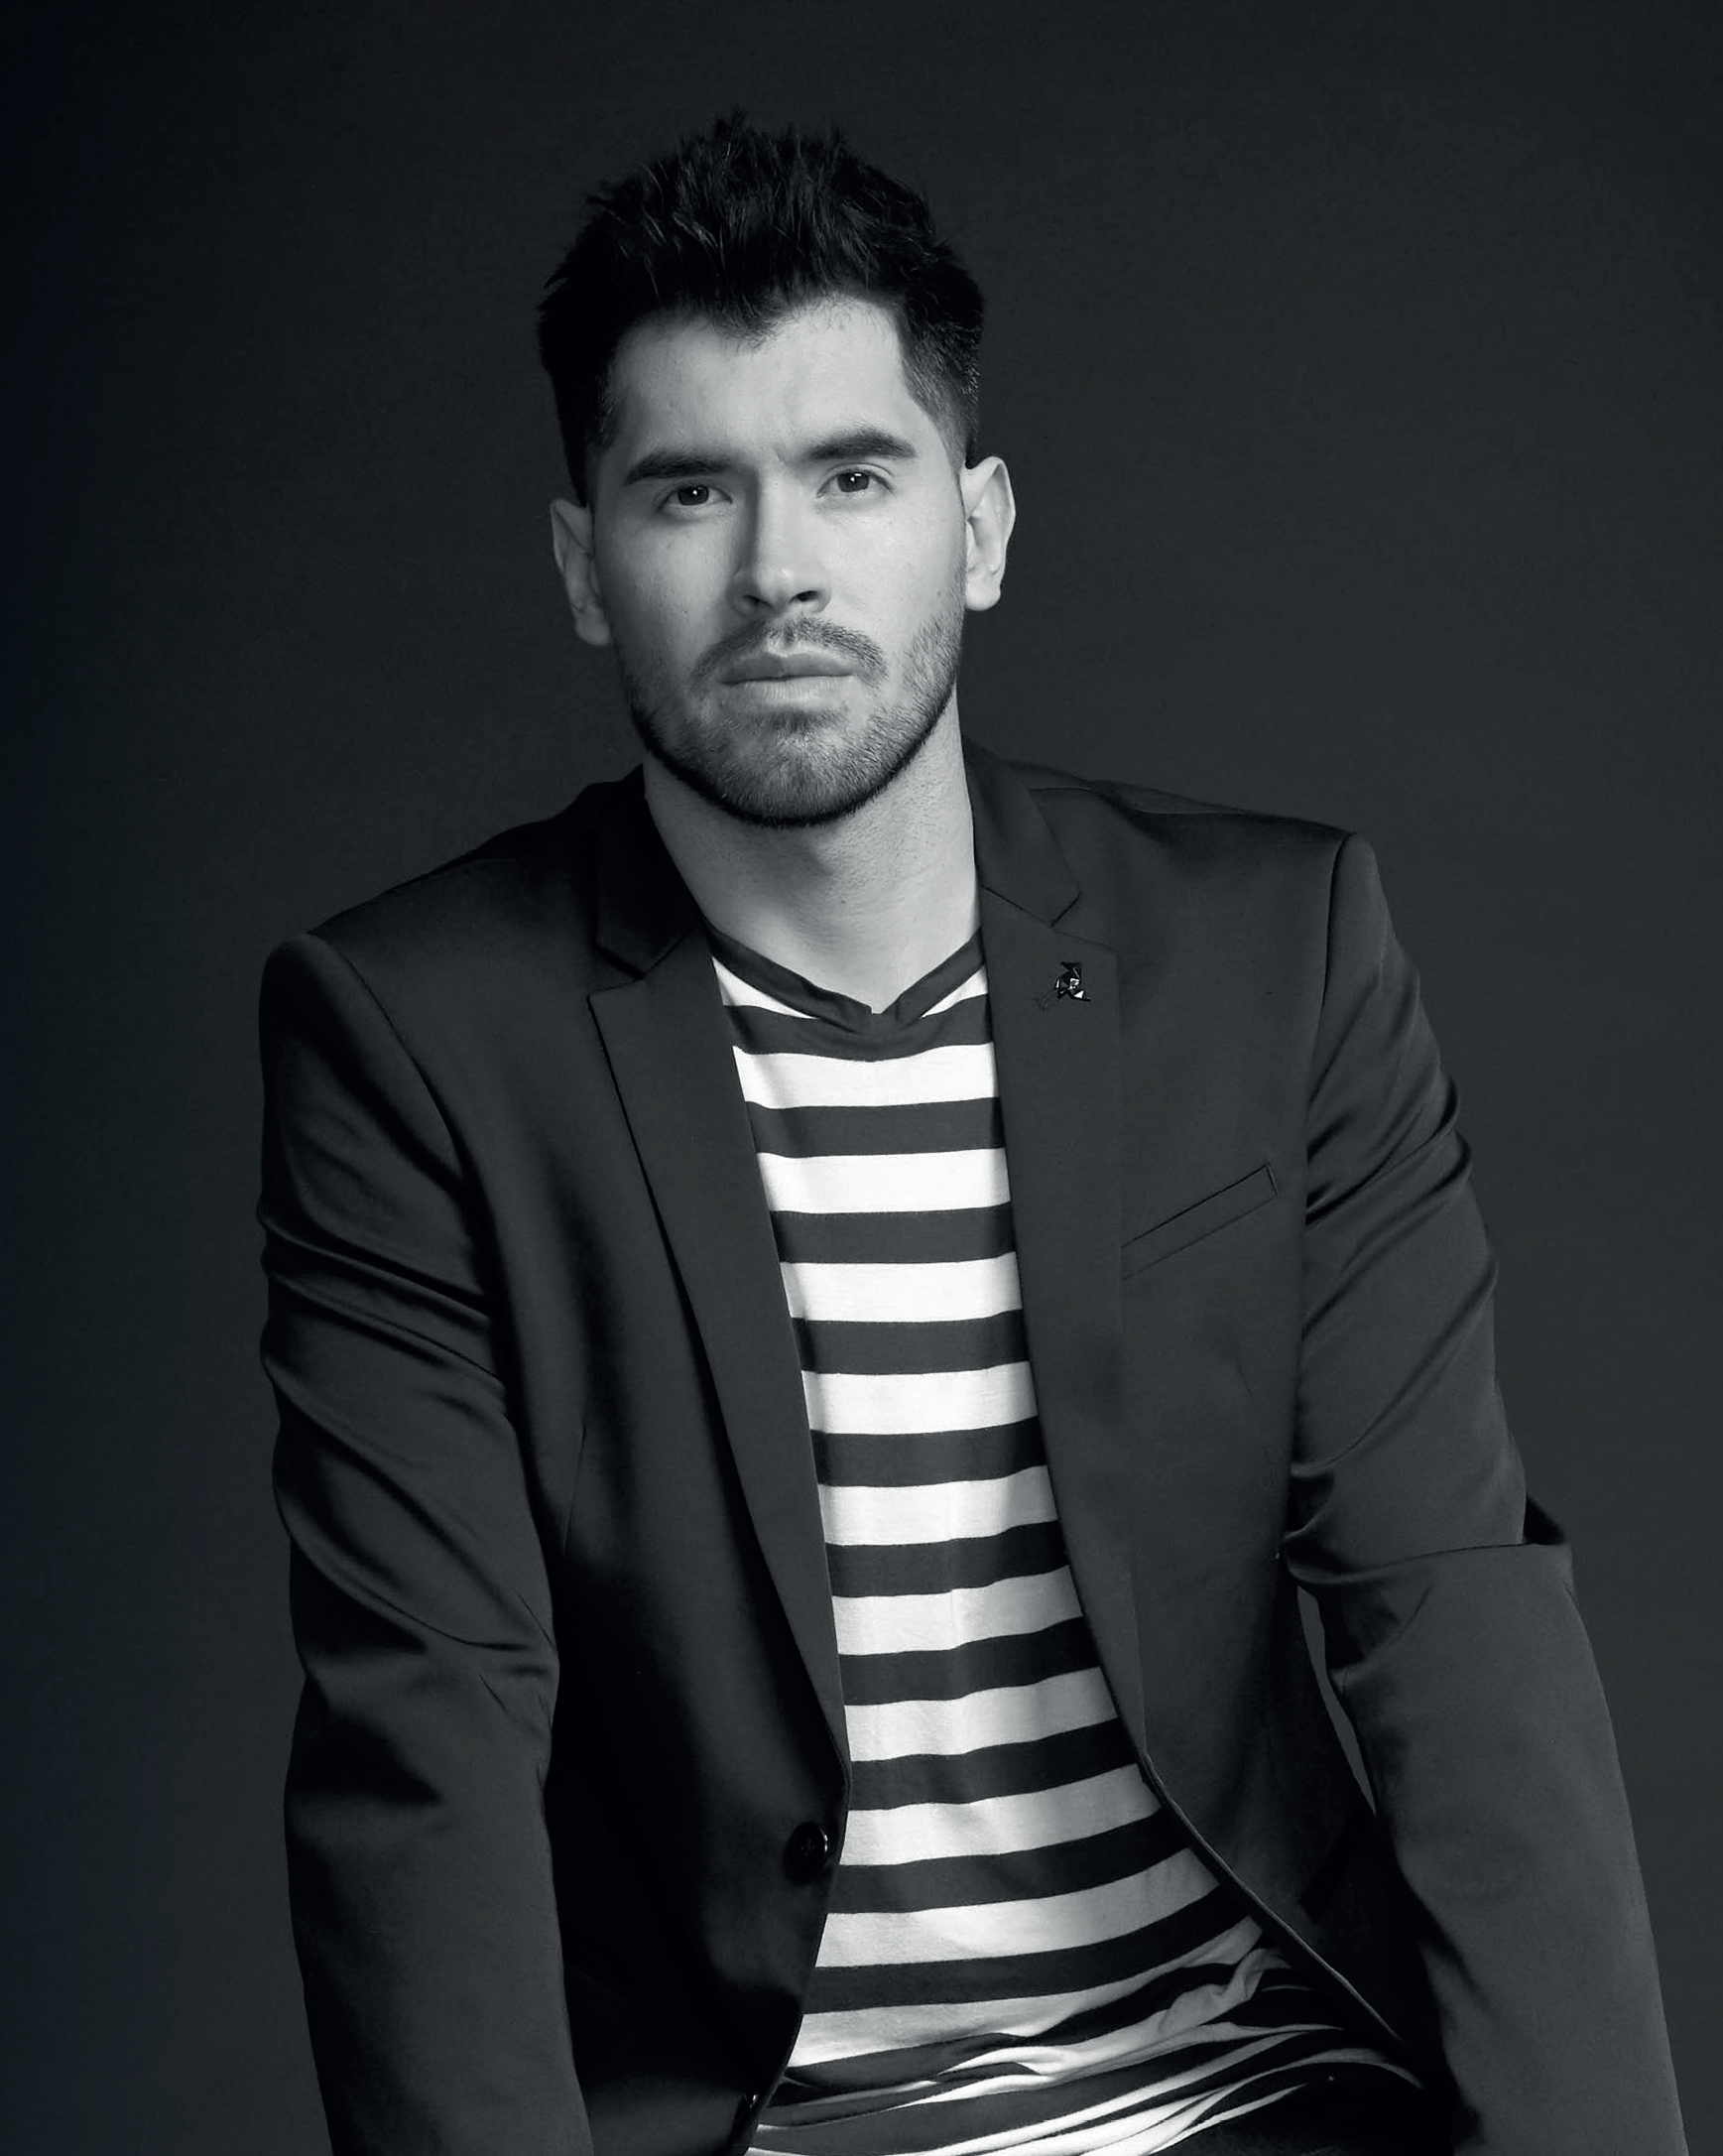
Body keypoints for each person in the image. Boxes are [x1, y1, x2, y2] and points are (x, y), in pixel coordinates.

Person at [258, 116, 1684, 2156]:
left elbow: (1450, 1616)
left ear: (981, 528)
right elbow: (429, 1738)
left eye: (855, 475)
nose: (778, 570)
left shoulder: (1274, 956)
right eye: (689, 490)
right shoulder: (416, 1043)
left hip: (1252, 2089)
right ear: (583, 567)